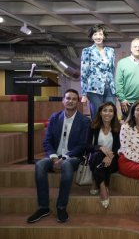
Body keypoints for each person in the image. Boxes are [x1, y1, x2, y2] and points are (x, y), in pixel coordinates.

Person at [27, 89, 90, 224]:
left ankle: (61, 206)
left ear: (77, 102)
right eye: (68, 98)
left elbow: (82, 145)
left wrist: (65, 157)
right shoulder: (55, 118)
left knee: (66, 165)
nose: (70, 101)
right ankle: (43, 207)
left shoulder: (84, 121)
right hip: (54, 156)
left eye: (74, 99)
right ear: (63, 101)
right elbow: (47, 141)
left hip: (72, 157)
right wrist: (54, 156)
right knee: (40, 165)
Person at [86, 102, 121, 209]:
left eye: (111, 111)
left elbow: (119, 147)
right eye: (105, 110)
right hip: (96, 158)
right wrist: (100, 147)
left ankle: (95, 181)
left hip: (113, 159)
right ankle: (103, 187)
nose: (108, 113)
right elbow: (87, 146)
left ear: (114, 114)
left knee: (102, 160)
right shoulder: (93, 126)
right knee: (97, 155)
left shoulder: (118, 127)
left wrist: (110, 156)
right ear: (100, 112)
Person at [81, 24, 116, 120]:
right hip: (94, 88)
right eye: (95, 34)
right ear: (92, 37)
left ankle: (110, 134)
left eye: (100, 34)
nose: (98, 37)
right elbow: (84, 72)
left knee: (111, 114)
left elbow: (112, 70)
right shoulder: (87, 51)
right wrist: (84, 94)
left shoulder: (111, 51)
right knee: (97, 116)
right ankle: (96, 135)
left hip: (109, 87)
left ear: (104, 36)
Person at [115, 38, 139, 119]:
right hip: (127, 103)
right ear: (131, 48)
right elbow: (118, 83)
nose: (137, 49)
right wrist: (122, 99)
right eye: (135, 46)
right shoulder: (122, 63)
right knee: (128, 129)